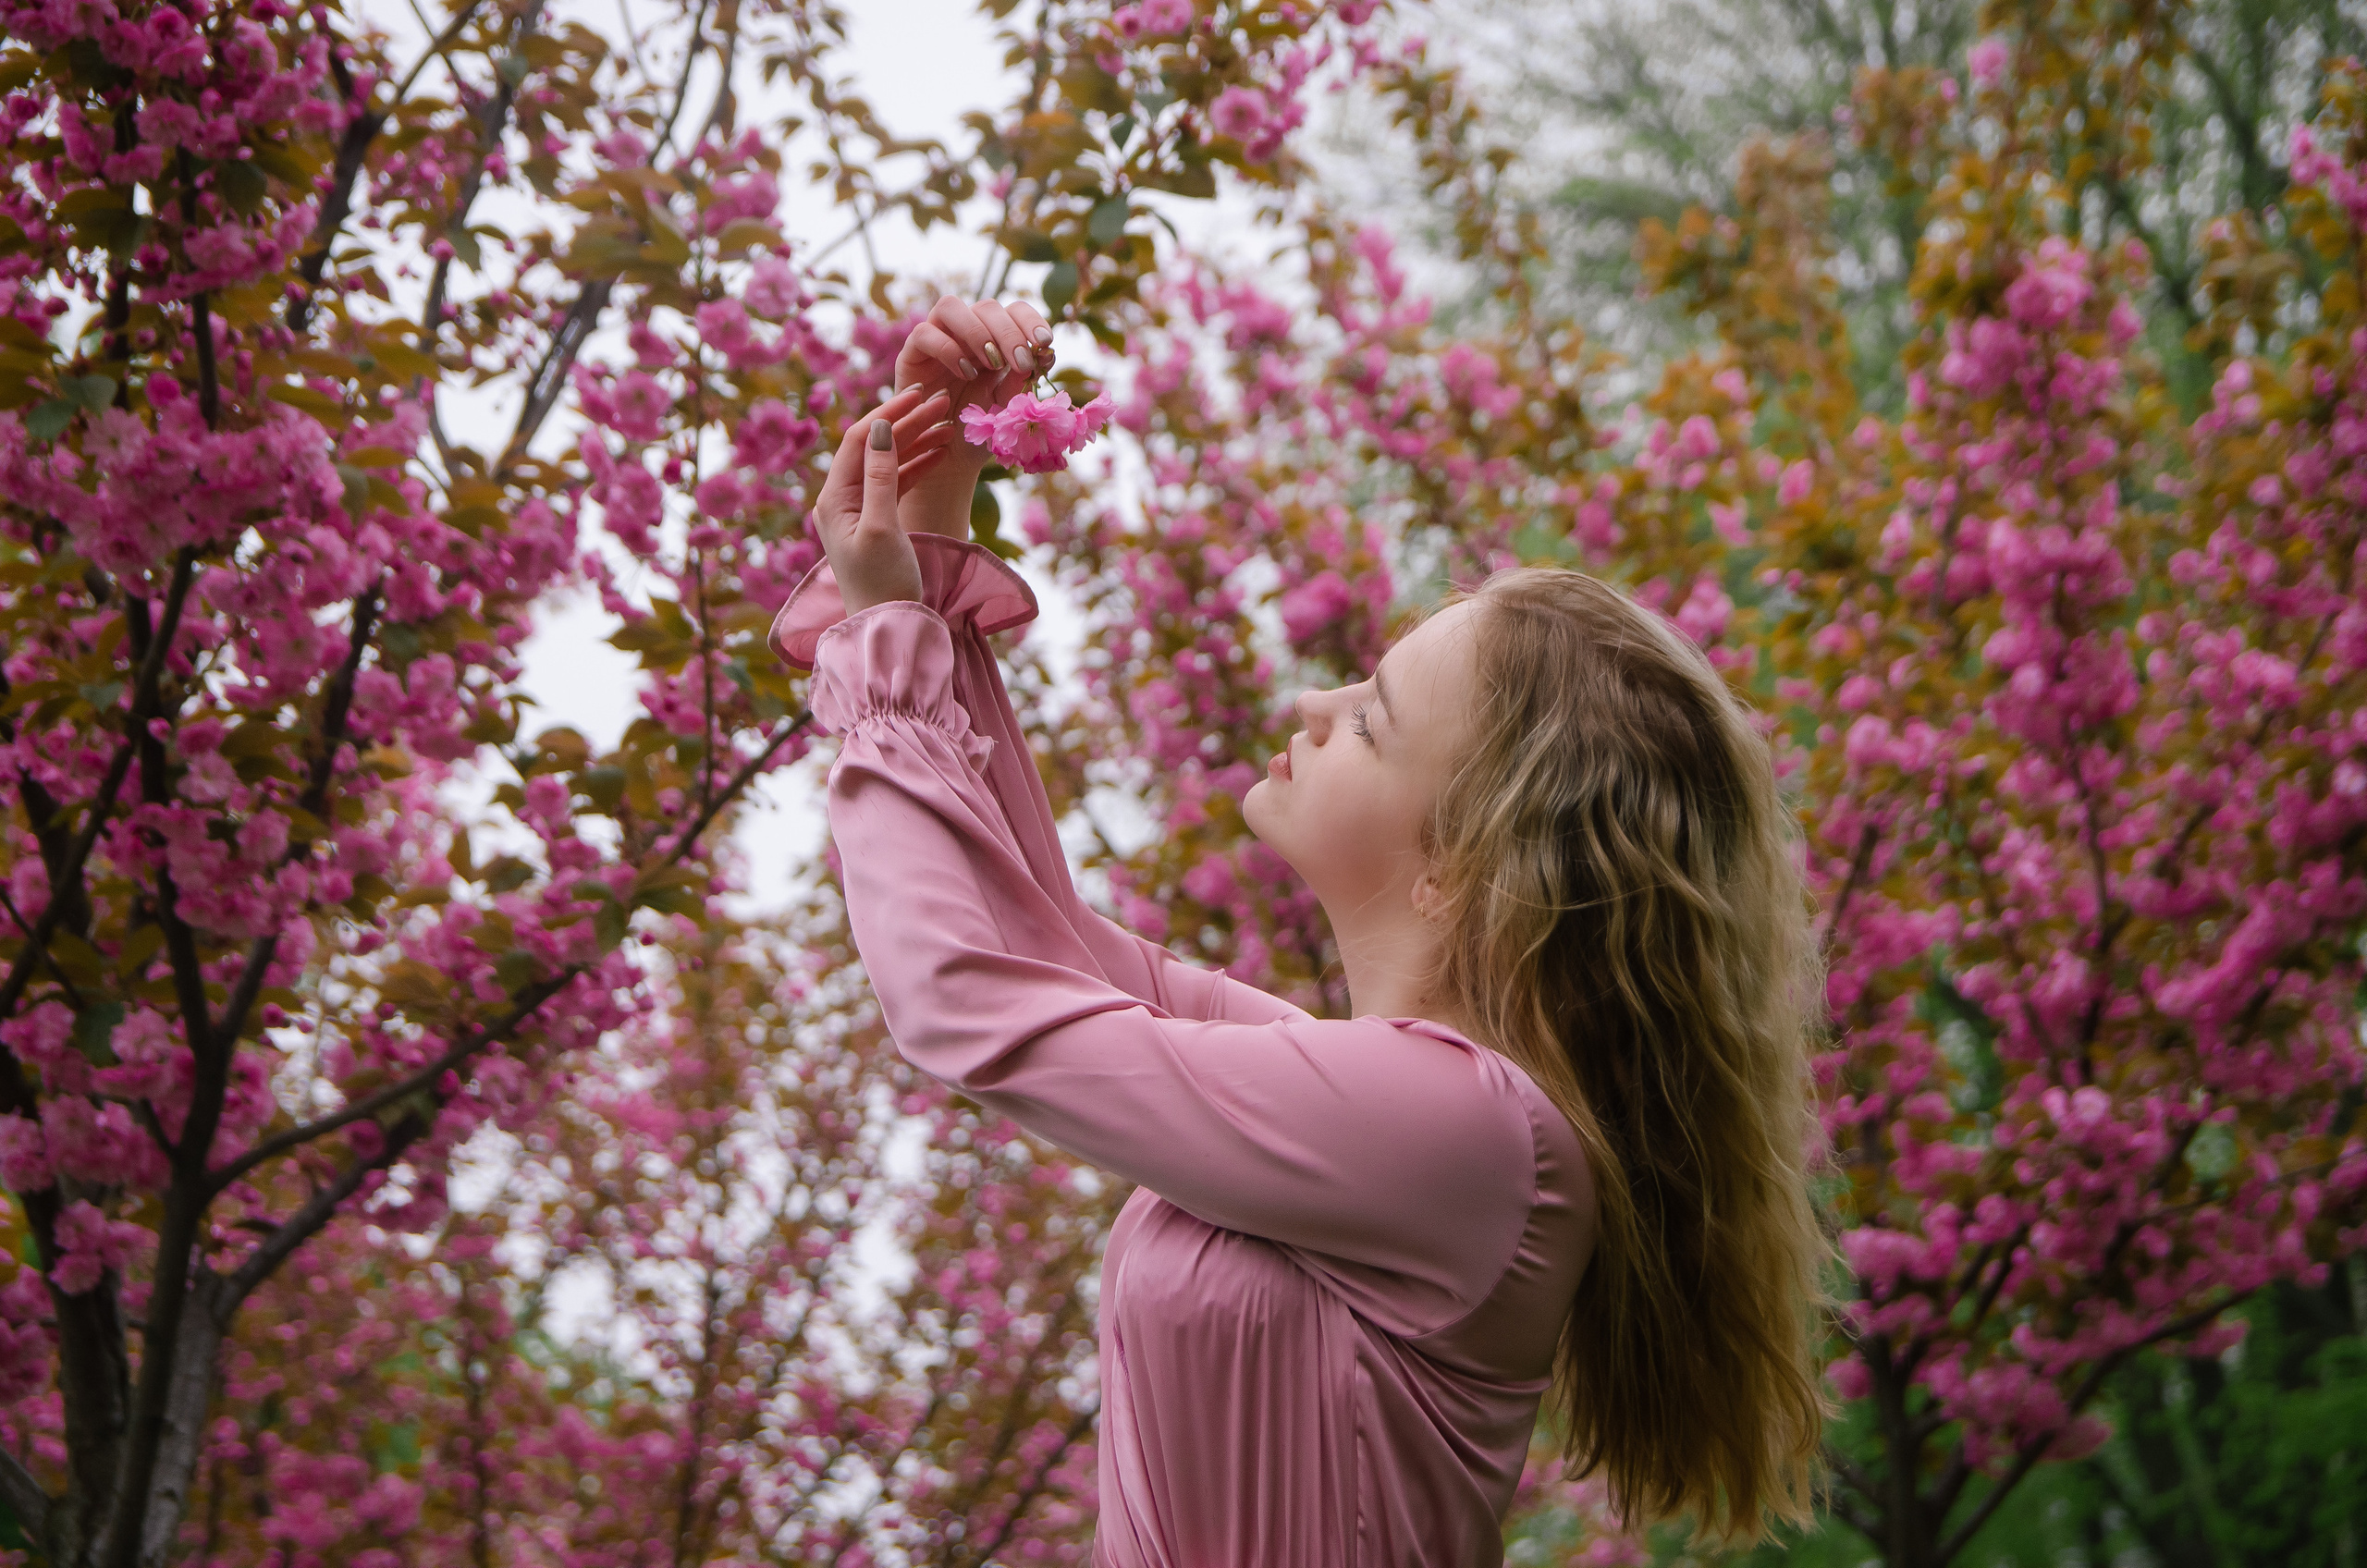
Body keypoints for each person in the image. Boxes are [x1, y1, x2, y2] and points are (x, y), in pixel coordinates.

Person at [771, 294, 1834, 1565]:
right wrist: (927, 562)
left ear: (1462, 869)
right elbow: (1043, 946)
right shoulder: (1379, 1099)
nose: (1318, 700)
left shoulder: (1468, 1134)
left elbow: (968, 999)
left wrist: (891, 642)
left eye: (1374, 719)